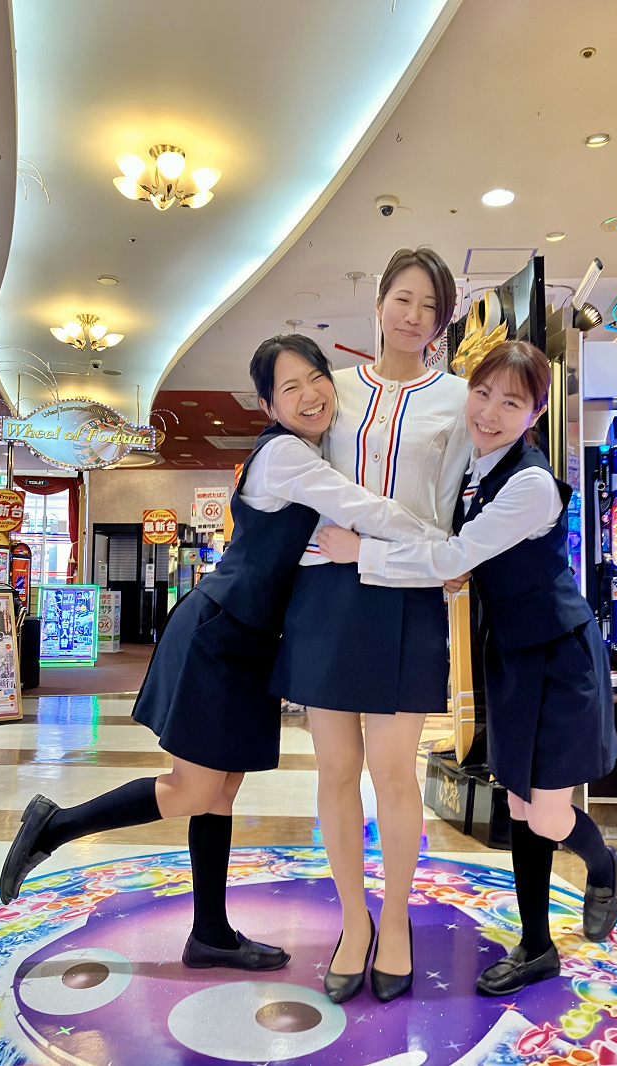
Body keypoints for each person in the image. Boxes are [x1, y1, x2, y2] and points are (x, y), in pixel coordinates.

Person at [0, 334, 440, 973]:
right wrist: (443, 550)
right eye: (290, 387)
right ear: (268, 405)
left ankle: (210, 933)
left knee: (220, 792)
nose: (311, 395)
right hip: (219, 632)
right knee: (194, 787)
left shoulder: (312, 452)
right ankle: (55, 825)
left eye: (316, 378)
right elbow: (364, 508)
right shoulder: (286, 454)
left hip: (250, 639)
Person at [317, 339, 617, 997]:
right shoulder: (478, 468)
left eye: (510, 403)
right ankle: (537, 946)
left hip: (559, 654)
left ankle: (602, 863)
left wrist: (359, 552)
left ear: (534, 415)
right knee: (517, 802)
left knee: (546, 815)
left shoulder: (530, 483)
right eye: (481, 393)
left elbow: (454, 555)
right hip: (509, 653)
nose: (488, 411)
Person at [273, 248, 471, 1004]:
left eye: (430, 306)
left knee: (393, 772)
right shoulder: (337, 388)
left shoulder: (458, 400)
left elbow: (449, 520)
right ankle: (353, 921)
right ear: (380, 301)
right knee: (333, 771)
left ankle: (394, 922)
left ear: (442, 321)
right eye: (403, 299)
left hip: (406, 598)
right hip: (326, 595)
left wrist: (387, 551)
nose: (413, 316)